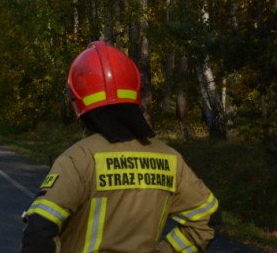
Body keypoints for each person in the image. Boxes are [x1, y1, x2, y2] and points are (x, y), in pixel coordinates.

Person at [20, 41, 221, 253]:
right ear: (135, 94)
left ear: (77, 101)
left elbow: (39, 231)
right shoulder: (170, 159)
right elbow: (208, 219)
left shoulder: (78, 160)